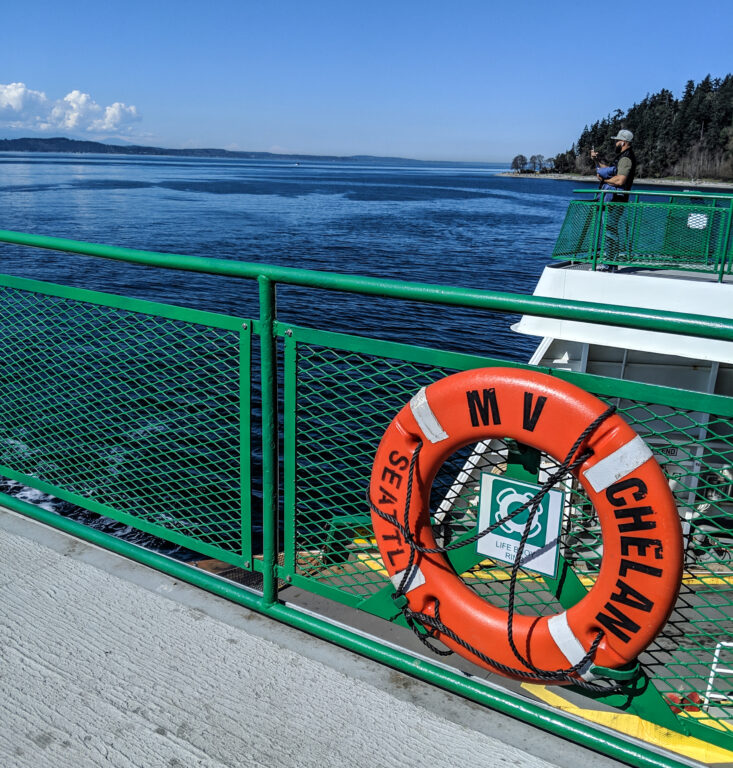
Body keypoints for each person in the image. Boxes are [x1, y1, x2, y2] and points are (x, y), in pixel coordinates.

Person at [590, 129, 637, 263]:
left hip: (616, 199)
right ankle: (610, 260)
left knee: (610, 230)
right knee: (608, 229)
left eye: (617, 141)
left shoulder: (626, 158)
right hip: (613, 199)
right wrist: (596, 160)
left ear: (623, 142)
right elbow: (608, 171)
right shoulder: (623, 157)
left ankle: (611, 262)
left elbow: (620, 180)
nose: (615, 143)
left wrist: (604, 181)